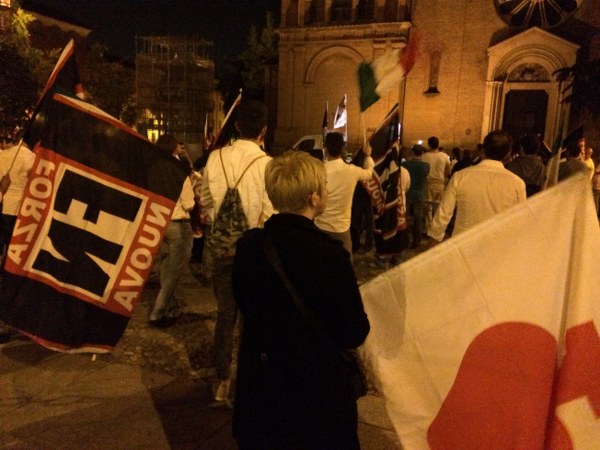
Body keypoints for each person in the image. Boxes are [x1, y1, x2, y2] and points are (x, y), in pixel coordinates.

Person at [232, 150, 370, 449]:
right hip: (315, 394)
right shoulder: (330, 255)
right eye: (324, 187)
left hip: (263, 390)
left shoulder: (249, 247)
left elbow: (244, 302)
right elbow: (353, 332)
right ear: (313, 197)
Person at [200, 99, 273, 403]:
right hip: (254, 252)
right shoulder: (268, 164)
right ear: (263, 130)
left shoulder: (215, 157)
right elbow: (270, 212)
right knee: (251, 318)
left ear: (238, 126)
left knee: (225, 314)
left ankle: (221, 381)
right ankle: (247, 381)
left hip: (222, 250)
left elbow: (205, 203)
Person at [428, 130, 526, 243]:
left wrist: (434, 238)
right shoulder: (517, 183)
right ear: (508, 155)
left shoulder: (460, 176)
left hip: (464, 244)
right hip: (499, 244)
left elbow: (444, 213)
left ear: (482, 151)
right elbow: (520, 220)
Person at [148, 134, 195, 328]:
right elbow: (189, 204)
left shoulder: (152, 169)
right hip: (178, 224)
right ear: (174, 148)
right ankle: (158, 311)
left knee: (166, 266)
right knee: (175, 270)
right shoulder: (179, 171)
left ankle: (171, 307)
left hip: (160, 223)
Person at [315, 132, 374, 255]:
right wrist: (368, 156)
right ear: (342, 149)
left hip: (320, 227)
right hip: (342, 229)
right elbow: (369, 173)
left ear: (325, 149)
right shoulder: (351, 171)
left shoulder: (318, 171)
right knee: (344, 262)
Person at [0, 140, 35, 268]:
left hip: (3, 204)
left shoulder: (3, 155)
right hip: (17, 208)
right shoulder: (31, 158)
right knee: (11, 243)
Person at [402, 144, 430, 248]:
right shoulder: (426, 166)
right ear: (422, 153)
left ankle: (403, 239)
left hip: (407, 192)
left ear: (412, 152)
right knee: (418, 218)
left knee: (404, 217)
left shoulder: (405, 164)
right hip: (419, 193)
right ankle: (416, 240)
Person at [422, 136, 450, 230]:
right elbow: (448, 171)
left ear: (429, 145)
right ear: (438, 144)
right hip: (440, 184)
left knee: (428, 206)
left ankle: (428, 227)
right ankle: (436, 227)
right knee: (438, 207)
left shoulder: (424, 156)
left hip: (428, 183)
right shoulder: (444, 156)